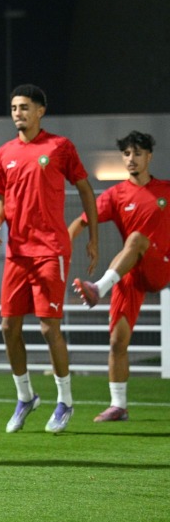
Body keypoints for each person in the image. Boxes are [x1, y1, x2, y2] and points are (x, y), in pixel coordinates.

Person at [0, 84, 98, 434]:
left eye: (24, 107)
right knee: (8, 327)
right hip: (17, 252)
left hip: (50, 249)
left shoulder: (60, 147)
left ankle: (64, 400)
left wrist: (92, 239)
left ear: (40, 111)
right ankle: (25, 397)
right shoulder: (5, 152)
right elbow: (4, 196)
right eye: (14, 107)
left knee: (49, 327)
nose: (17, 112)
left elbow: (85, 189)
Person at [70, 131, 169, 422]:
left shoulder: (166, 190)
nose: (131, 159)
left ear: (149, 156)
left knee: (137, 238)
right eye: (126, 154)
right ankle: (118, 406)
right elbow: (82, 220)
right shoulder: (116, 195)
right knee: (117, 341)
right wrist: (61, 246)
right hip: (128, 272)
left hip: (159, 265)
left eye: (137, 153)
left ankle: (98, 288)